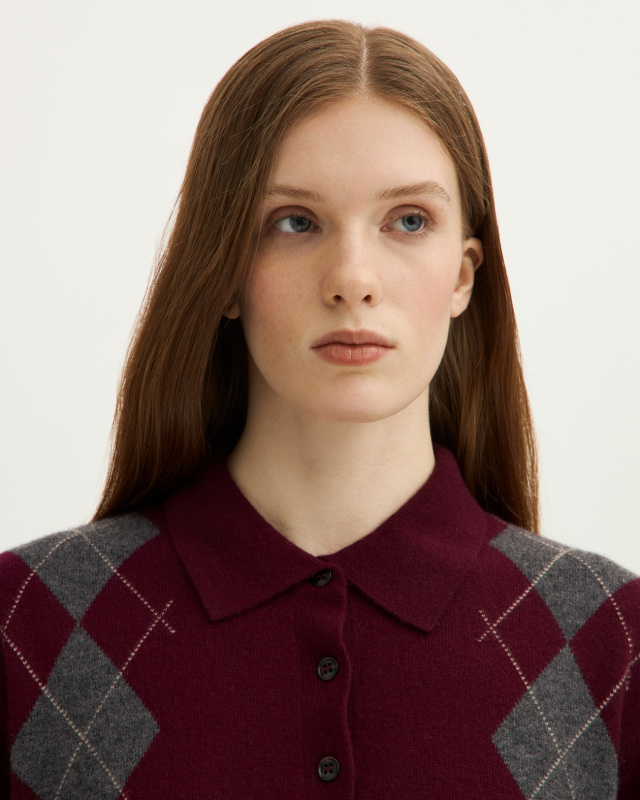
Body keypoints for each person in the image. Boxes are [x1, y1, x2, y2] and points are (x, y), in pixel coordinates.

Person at [0, 18, 638, 799]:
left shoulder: (609, 643)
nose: (353, 279)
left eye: (409, 221)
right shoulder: (27, 626)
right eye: (294, 223)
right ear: (225, 271)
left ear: (464, 275)